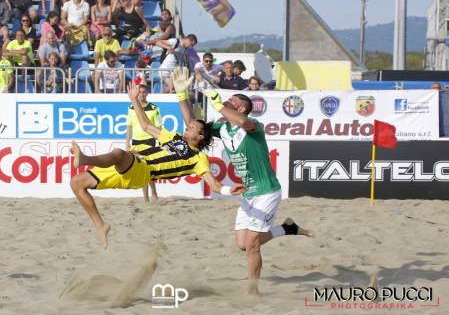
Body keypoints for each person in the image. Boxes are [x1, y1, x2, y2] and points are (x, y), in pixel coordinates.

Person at [70, 67, 246, 248]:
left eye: (192, 128)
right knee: (77, 183)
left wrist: (228, 191)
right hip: (133, 165)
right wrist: (134, 100)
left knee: (119, 154)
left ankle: (84, 159)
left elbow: (214, 185)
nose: (188, 127)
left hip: (143, 172)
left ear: (200, 137)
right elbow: (146, 126)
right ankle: (101, 225)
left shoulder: (198, 158)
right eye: (189, 125)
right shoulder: (174, 137)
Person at [198, 83, 313, 295]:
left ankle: (253, 291)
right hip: (248, 194)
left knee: (252, 245)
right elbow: (194, 126)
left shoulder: (254, 125)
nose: (226, 102)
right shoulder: (223, 128)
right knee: (242, 244)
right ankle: (287, 228)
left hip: (267, 191)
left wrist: (216, 101)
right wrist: (181, 95)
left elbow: (242, 122)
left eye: (232, 101)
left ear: (241, 108)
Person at [125, 83, 162, 203]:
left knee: (148, 170)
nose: (141, 94)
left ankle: (154, 192)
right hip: (136, 142)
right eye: (139, 92)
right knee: (142, 171)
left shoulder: (154, 108)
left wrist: (161, 142)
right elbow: (129, 127)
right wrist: (127, 143)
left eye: (143, 92)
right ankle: (146, 198)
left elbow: (159, 127)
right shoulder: (131, 108)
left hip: (149, 140)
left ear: (147, 93)